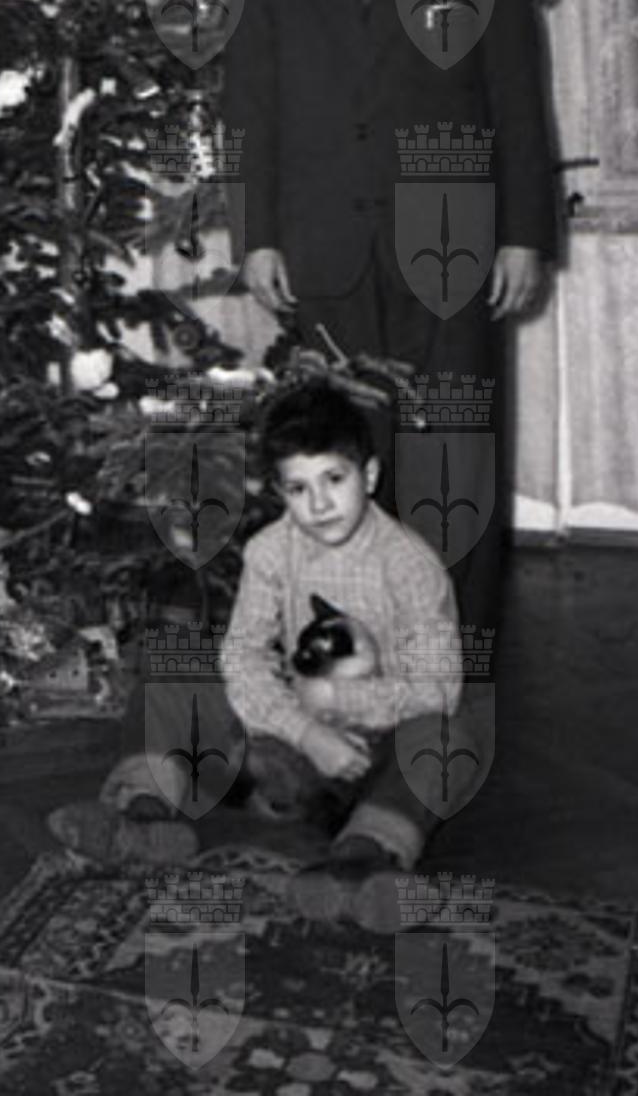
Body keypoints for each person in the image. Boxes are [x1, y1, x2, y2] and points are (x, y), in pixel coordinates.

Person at [220, 0, 558, 632]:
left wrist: (524, 234)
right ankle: (347, 636)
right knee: (336, 452)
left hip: (452, 247)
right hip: (322, 244)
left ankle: (455, 649)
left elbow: (517, 101)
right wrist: (255, 234)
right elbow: (248, 106)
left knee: (452, 450)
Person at [45, 384, 470, 926]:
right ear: (279, 490)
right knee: (173, 666)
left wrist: (339, 705)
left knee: (445, 734)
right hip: (285, 740)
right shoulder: (270, 550)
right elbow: (243, 656)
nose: (319, 504)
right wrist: (304, 731)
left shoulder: (410, 566)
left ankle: (364, 857)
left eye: (334, 480)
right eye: (298, 488)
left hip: (368, 754)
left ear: (368, 476)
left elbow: (436, 687)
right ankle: (143, 818)